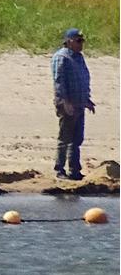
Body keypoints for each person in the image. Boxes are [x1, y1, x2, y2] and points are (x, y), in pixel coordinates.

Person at [52, 27, 96, 180]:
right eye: (78, 41)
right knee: (65, 138)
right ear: (69, 41)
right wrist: (65, 102)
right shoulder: (61, 57)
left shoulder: (79, 57)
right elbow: (59, 82)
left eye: (82, 41)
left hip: (79, 103)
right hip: (67, 104)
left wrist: (87, 100)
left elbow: (83, 79)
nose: (81, 44)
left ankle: (74, 170)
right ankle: (59, 169)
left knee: (77, 139)